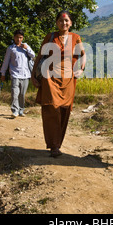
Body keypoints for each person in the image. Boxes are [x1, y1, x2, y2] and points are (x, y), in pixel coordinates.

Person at [32, 11, 86, 158]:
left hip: (68, 79)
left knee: (64, 111)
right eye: (61, 21)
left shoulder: (76, 38)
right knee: (52, 109)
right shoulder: (50, 37)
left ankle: (57, 143)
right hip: (49, 77)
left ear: (71, 23)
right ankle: (54, 146)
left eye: (67, 21)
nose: (64, 23)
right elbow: (39, 56)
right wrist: (33, 76)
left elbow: (83, 54)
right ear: (57, 23)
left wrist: (81, 69)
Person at [1, 29, 36, 118]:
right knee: (14, 93)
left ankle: (21, 110)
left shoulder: (25, 46)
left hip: (25, 74)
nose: (18, 39)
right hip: (15, 74)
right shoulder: (10, 48)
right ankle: (15, 110)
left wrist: (27, 48)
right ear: (14, 37)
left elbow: (33, 55)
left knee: (22, 94)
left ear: (22, 38)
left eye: (20, 37)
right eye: (17, 37)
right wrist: (3, 73)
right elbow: (6, 61)